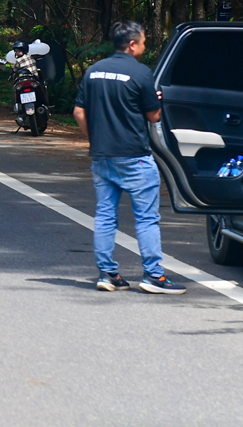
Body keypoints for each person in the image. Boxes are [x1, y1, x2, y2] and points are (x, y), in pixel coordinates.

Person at [74, 20, 185, 295]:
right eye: (144, 42)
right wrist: (157, 100)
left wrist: (96, 140)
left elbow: (78, 112)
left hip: (102, 157)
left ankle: (108, 274)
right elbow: (154, 115)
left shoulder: (93, 71)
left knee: (105, 216)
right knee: (146, 218)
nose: (145, 48)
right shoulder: (140, 73)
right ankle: (154, 276)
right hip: (134, 157)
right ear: (132, 44)